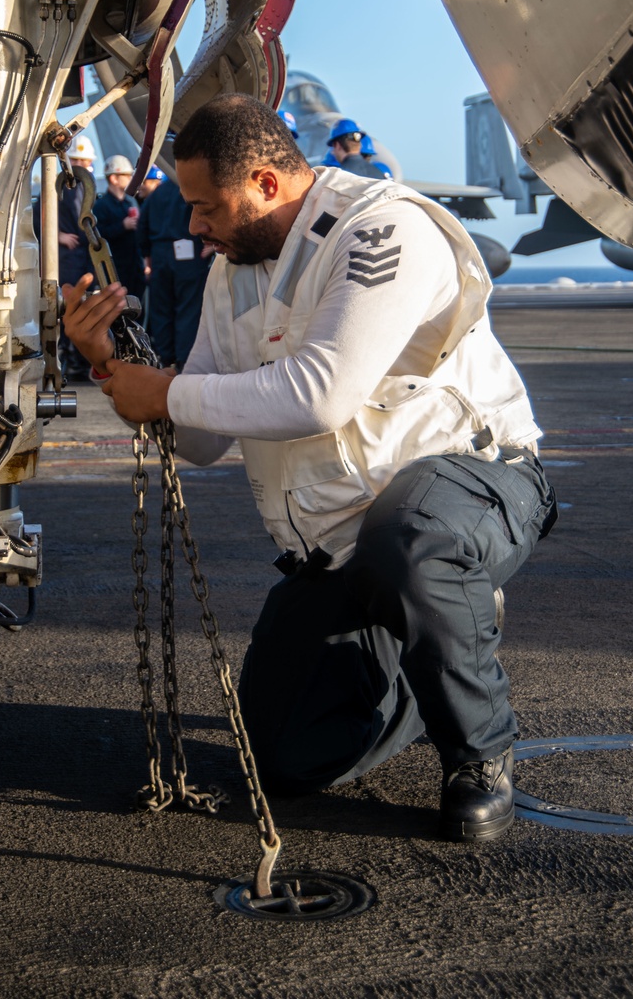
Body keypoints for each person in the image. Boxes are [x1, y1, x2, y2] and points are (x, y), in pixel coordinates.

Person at [62, 95, 555, 842]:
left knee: (415, 541)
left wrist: (163, 391)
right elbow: (196, 439)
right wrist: (114, 365)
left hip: (473, 485)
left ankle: (479, 754)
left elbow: (322, 393)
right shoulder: (238, 271)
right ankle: (431, 658)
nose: (193, 226)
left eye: (205, 207)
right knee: (285, 760)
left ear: (264, 183)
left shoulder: (382, 229)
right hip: (346, 546)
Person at [134, 170, 213, 369]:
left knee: (162, 309)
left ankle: (165, 356)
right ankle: (184, 358)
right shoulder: (191, 189)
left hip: (160, 255)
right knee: (188, 308)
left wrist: (148, 256)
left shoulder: (157, 194)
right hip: (189, 254)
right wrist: (211, 243)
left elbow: (142, 226)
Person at [57, 135, 98, 380]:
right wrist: (59, 235)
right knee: (66, 305)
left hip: (83, 257)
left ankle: (81, 359)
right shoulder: (58, 188)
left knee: (86, 304)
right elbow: (39, 219)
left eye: (85, 161)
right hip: (66, 258)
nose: (82, 164)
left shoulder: (86, 189)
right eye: (78, 160)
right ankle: (68, 357)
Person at [93, 154, 145, 302]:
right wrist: (122, 226)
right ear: (114, 179)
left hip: (134, 267)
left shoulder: (130, 203)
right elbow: (98, 236)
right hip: (116, 269)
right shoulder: (101, 206)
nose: (130, 179)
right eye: (126, 175)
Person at [327, 118, 392, 179]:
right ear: (359, 144)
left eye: (333, 146)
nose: (332, 152)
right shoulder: (379, 174)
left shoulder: (337, 177)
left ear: (337, 145)